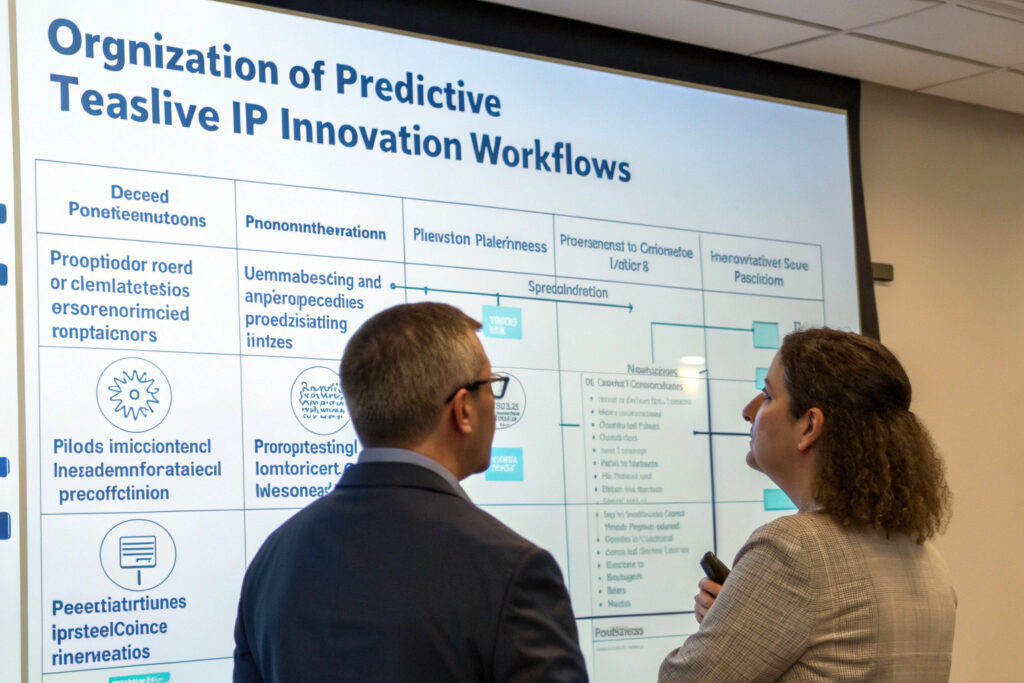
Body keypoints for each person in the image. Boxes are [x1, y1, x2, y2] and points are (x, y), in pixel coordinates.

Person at [233, 302, 588, 683]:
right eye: (490, 384)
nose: (493, 401)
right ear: (463, 410)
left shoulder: (271, 563)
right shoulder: (511, 572)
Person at [659, 328, 956, 681]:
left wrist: (717, 635)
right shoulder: (929, 561)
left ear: (809, 426)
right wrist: (735, 626)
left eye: (768, 395)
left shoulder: (794, 548)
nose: (748, 411)